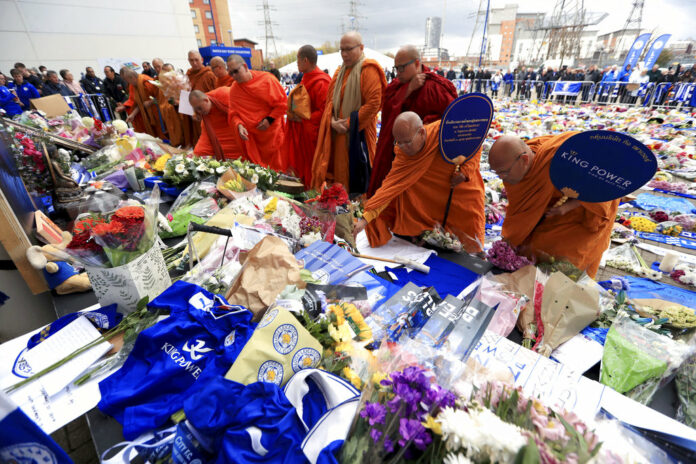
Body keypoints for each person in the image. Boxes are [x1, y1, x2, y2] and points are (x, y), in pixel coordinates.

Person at [489, 134, 619, 278]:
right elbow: (521, 208)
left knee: (564, 258)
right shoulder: (523, 163)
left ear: (524, 159)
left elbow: (601, 190)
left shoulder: (565, 159)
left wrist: (568, 206)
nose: (501, 178)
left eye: (504, 172)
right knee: (530, 246)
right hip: (553, 208)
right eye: (497, 173)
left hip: (583, 209)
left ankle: (566, 291)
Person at [353, 112, 485, 253]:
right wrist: (364, 220)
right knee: (408, 201)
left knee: (470, 237)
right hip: (429, 196)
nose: (402, 147)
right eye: (398, 142)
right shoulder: (404, 155)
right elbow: (390, 188)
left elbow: (474, 142)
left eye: (407, 142)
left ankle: (475, 256)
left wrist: (465, 171)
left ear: (421, 132)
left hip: (459, 189)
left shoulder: (444, 130)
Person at [367, 45, 456, 197]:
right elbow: (387, 112)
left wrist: (424, 126)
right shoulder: (396, 86)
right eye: (396, 68)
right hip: (395, 152)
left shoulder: (435, 86)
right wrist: (407, 91)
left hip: (423, 158)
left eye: (401, 68)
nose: (398, 73)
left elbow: (452, 121)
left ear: (416, 64)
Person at [311, 31, 387, 192]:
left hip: (359, 135)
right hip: (337, 132)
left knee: (358, 180)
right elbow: (329, 102)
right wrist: (331, 121)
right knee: (338, 177)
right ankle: (340, 206)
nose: (344, 54)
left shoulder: (369, 70)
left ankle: (356, 210)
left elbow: (374, 104)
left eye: (348, 49)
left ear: (361, 48)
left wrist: (348, 124)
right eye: (341, 50)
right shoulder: (339, 72)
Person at [226, 54, 287, 169]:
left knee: (278, 169)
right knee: (258, 170)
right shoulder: (235, 89)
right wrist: (239, 125)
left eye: (235, 71)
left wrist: (269, 120)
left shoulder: (267, 79)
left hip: (271, 134)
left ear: (244, 66)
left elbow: (283, 104)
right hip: (252, 139)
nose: (233, 76)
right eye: (230, 73)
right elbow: (233, 113)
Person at [284, 45, 331, 183]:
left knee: (312, 166)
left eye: (297, 60)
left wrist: (302, 120)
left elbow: (325, 111)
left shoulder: (321, 81)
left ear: (305, 60)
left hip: (312, 133)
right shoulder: (306, 77)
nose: (296, 63)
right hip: (302, 132)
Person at [189, 89, 243, 159]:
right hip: (219, 136)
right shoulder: (205, 117)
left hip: (236, 129)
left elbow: (242, 109)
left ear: (206, 100)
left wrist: (240, 124)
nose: (199, 112)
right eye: (196, 110)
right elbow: (205, 136)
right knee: (198, 152)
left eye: (200, 108)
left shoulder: (223, 94)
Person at [115, 67, 164, 138]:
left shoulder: (146, 82)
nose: (128, 83)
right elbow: (138, 102)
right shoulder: (134, 84)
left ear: (132, 77)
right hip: (146, 114)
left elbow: (160, 96)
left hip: (157, 113)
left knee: (161, 134)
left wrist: (150, 102)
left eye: (127, 80)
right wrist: (133, 114)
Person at [184, 50, 217, 144]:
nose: (194, 63)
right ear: (188, 61)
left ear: (202, 59)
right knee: (199, 138)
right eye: (191, 60)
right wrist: (192, 113)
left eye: (196, 60)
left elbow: (216, 95)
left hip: (208, 113)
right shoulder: (188, 75)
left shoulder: (209, 74)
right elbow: (186, 95)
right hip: (194, 114)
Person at [155, 63, 185, 146]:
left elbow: (187, 100)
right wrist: (168, 107)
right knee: (176, 140)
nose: (168, 74)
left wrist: (177, 103)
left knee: (185, 136)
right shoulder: (162, 87)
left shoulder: (180, 83)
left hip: (181, 116)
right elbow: (161, 104)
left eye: (170, 71)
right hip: (170, 117)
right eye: (165, 72)